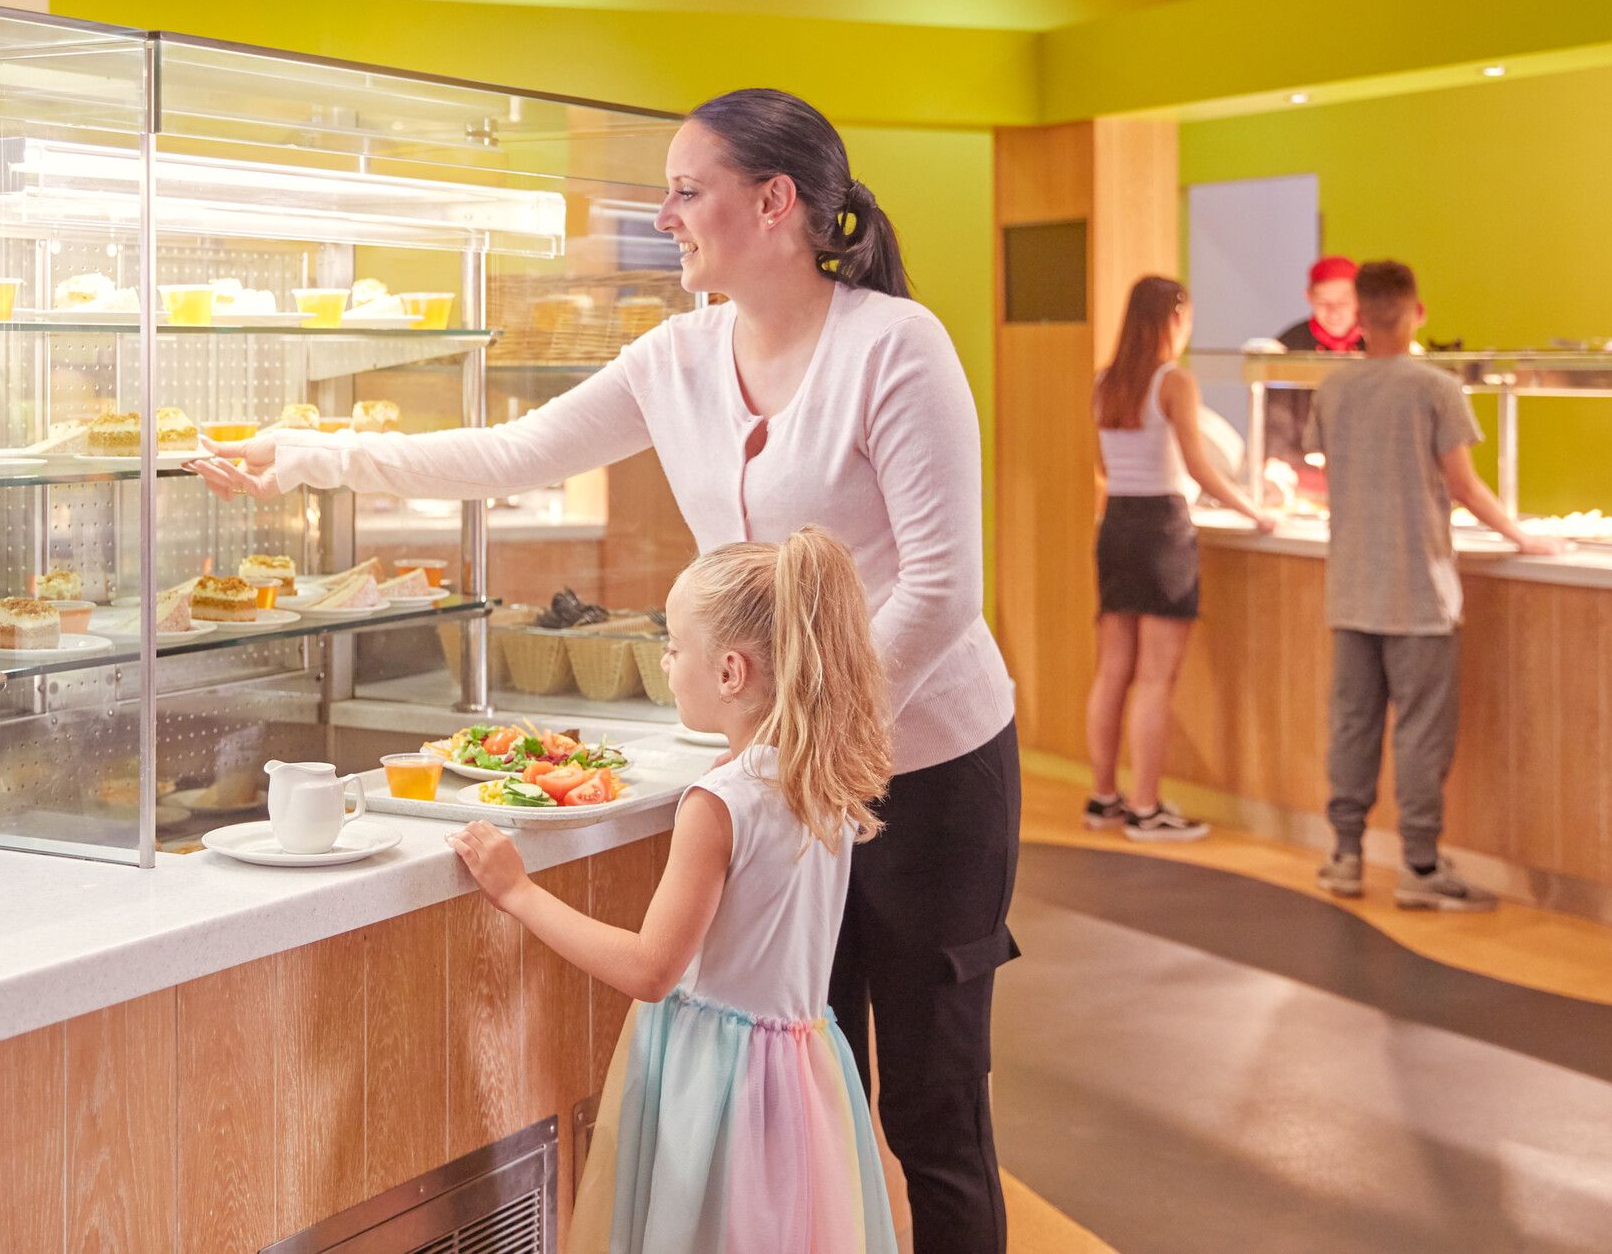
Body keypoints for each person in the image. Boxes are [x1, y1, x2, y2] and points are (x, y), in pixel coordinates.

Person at [196, 88, 1019, 1254]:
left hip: (926, 768)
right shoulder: (677, 356)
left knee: (933, 1110)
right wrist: (307, 454)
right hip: (791, 785)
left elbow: (939, 590)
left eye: (689, 191)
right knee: (805, 1098)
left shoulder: (894, 346)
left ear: (775, 203)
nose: (664, 215)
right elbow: (506, 452)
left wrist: (797, 750)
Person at [448, 530, 900, 1253]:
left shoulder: (717, 803)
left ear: (728, 671)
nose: (665, 663)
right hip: (799, 1075)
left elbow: (650, 971)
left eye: (673, 648)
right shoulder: (821, 776)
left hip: (714, 1086)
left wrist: (518, 892)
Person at [1308, 260, 1559, 911]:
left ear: (1359, 316)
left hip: (1350, 590)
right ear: (1416, 311)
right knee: (1420, 732)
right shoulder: (1434, 387)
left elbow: (1329, 473)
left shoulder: (1332, 390)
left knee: (1351, 727)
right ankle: (1418, 865)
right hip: (1419, 592)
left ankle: (1344, 855)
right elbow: (1464, 486)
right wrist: (1522, 538)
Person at [1086, 276, 1275, 842]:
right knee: (1154, 680)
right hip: (1163, 528)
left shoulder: (1105, 382)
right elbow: (1197, 466)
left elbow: (1102, 464)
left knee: (1112, 671)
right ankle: (1146, 808)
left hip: (1115, 524)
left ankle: (1103, 799)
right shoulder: (1174, 382)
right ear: (1173, 317)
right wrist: (1254, 510)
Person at [1265, 254, 1366, 477]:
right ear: (1308, 296)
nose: (1334, 311)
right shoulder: (1289, 345)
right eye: (1323, 302)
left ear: (1360, 298)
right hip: (1303, 469)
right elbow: (1276, 423)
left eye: (1343, 301)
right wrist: (1275, 463)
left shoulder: (1376, 342)